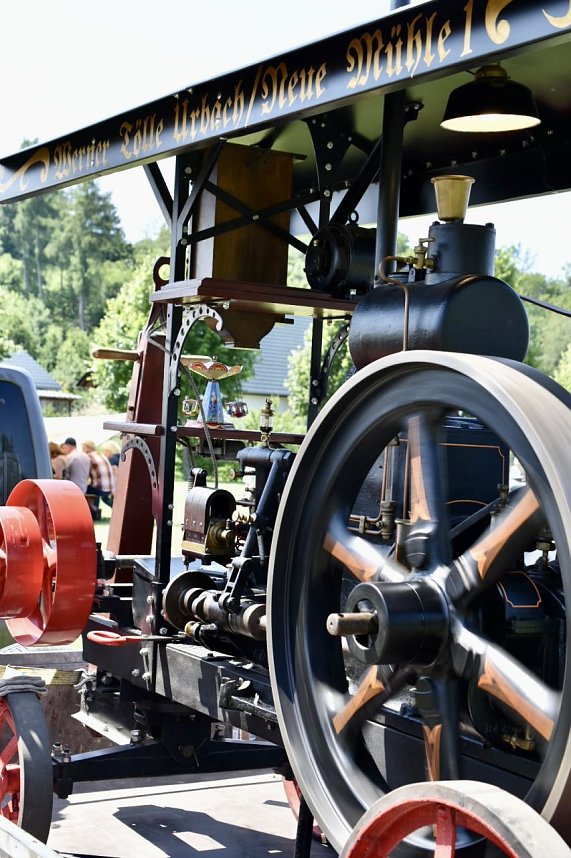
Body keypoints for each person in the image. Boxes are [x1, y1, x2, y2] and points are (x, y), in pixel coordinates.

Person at [82, 439, 115, 520]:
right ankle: (95, 512)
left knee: (80, 489)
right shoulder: (100, 455)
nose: (82, 450)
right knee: (93, 489)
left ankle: (94, 510)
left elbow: (85, 474)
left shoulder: (89, 457)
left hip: (100, 488)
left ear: (88, 448)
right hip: (109, 487)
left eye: (83, 448)